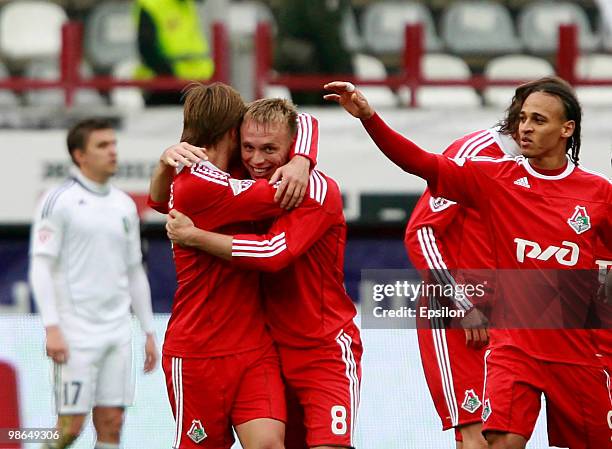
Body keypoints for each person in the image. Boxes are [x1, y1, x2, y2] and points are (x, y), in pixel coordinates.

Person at [324, 78, 611, 448]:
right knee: (495, 441)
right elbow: (421, 165)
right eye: (522, 118)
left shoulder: (598, 192)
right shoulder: (496, 177)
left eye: (538, 120)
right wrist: (369, 118)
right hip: (512, 344)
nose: (525, 127)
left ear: (566, 129)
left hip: (574, 349)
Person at [159, 98, 362, 449]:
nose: (256, 159)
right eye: (249, 147)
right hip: (268, 347)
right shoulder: (237, 178)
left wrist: (303, 160)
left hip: (322, 348)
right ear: (235, 139)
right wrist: (164, 163)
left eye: (270, 149)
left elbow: (272, 253)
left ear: (291, 145)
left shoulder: (313, 189)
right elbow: (162, 198)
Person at [29, 118, 158, 449]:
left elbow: (134, 271)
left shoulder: (124, 205)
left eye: (114, 144)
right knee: (69, 428)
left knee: (112, 424)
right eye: (102, 145)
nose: (113, 151)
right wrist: (52, 327)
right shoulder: (59, 201)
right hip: (75, 333)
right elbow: (41, 267)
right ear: (79, 155)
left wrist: (148, 332)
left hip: (117, 332)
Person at [134, 0, 215, 105]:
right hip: (166, 89)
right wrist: (173, 79)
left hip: (196, 86)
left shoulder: (186, 4)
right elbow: (147, 51)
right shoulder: (151, 4)